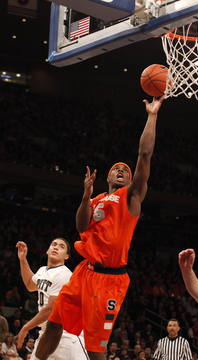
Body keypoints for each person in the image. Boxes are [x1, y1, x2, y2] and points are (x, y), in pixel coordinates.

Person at [33, 95, 165, 360]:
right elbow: (81, 226)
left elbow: (144, 154)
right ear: (107, 177)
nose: (120, 170)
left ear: (130, 180)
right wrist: (85, 196)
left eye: (125, 170)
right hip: (85, 272)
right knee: (53, 326)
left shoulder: (131, 197)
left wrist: (152, 115)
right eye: (115, 168)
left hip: (109, 281)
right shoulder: (96, 200)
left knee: (95, 350)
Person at [16, 239, 88, 360]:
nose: (55, 247)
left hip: (66, 335)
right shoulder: (43, 270)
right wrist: (23, 259)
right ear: (47, 251)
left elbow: (51, 309)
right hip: (46, 333)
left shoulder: (64, 274)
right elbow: (30, 284)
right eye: (53, 245)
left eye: (61, 247)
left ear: (66, 256)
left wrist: (26, 327)